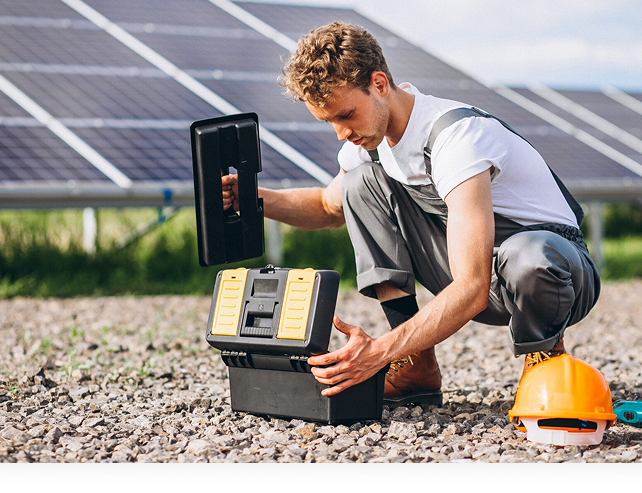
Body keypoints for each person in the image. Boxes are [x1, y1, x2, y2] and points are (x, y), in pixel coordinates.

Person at [221, 21, 600, 406]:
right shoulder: (370, 144)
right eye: (329, 121)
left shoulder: (457, 138)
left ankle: (544, 363)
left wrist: (377, 352)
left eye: (346, 115)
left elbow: (471, 289)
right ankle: (417, 365)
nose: (341, 133)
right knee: (359, 183)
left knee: (527, 256)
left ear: (380, 84)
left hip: (556, 273)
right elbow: (325, 206)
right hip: (479, 272)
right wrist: (251, 198)